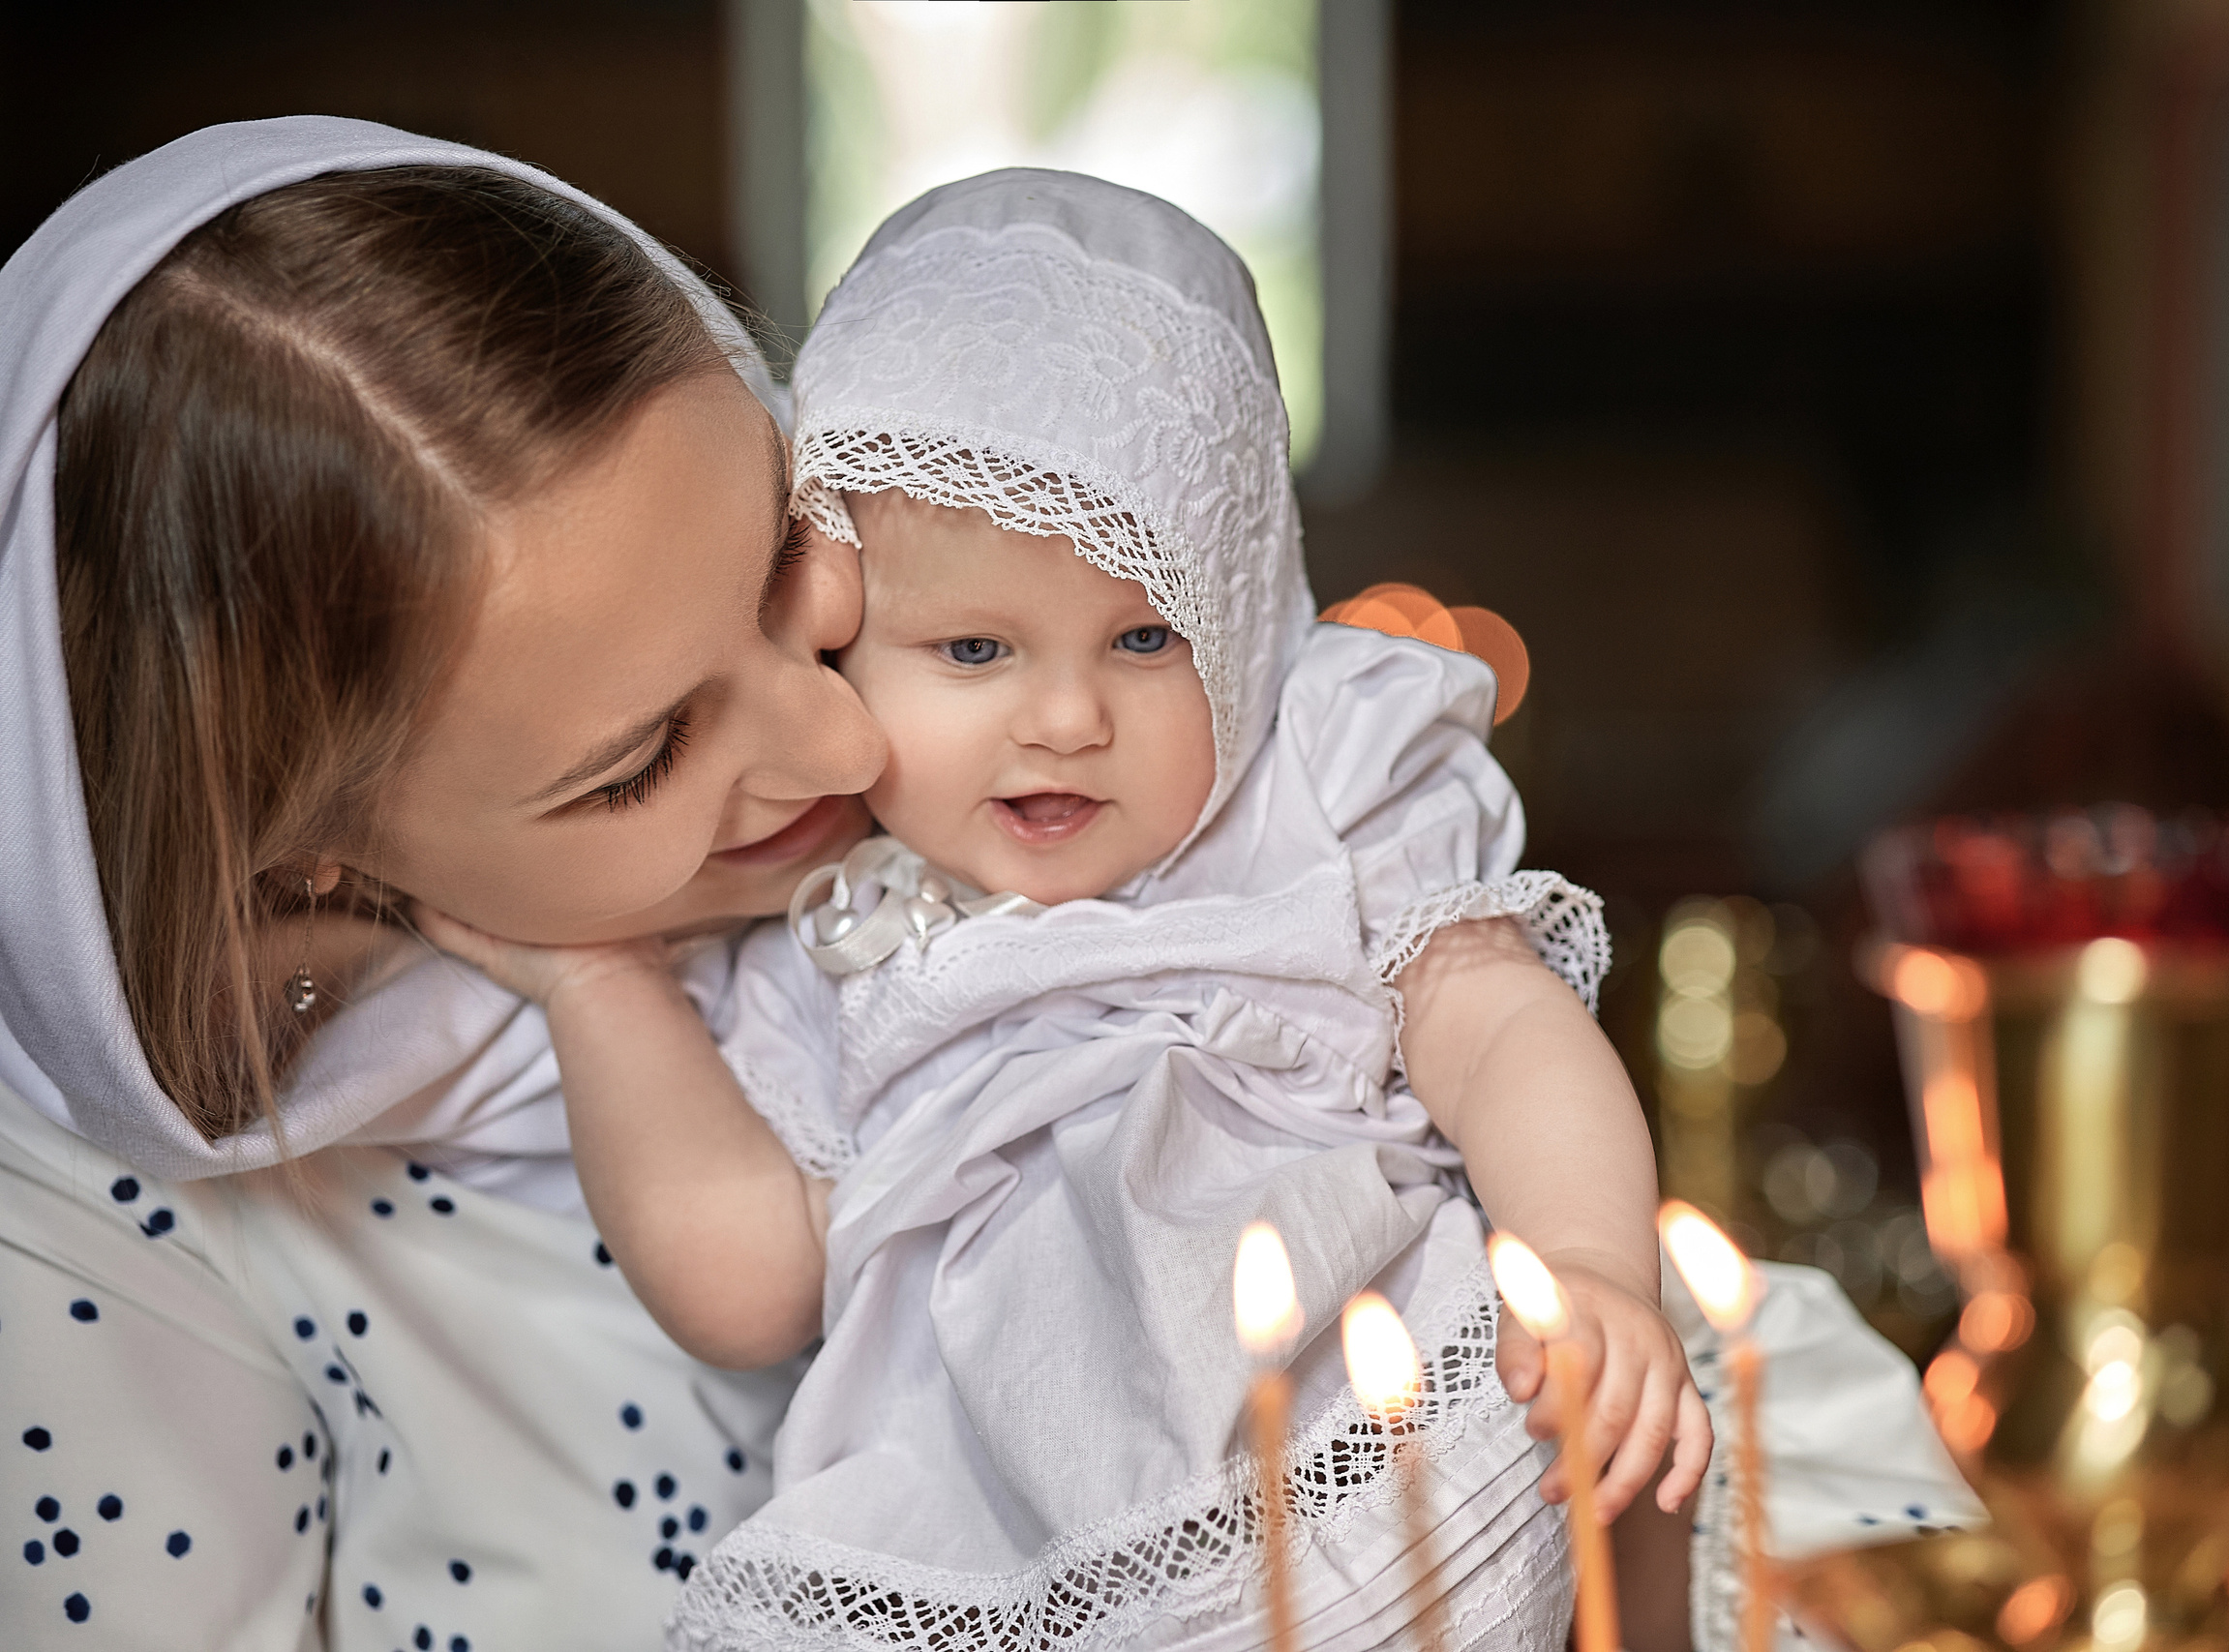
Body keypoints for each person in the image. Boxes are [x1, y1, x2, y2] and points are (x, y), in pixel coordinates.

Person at [423, 173, 1979, 1652]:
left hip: (1368, 1422)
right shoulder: (849, 916)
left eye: (1147, 638)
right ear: (833, 644)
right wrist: (594, 989)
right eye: (973, 651)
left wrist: (1586, 1264)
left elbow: (1499, 1021)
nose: (1064, 718)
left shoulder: (1315, 781)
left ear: (1244, 616)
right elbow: (750, 1274)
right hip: (993, 1536)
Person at [0, 117, 889, 1649]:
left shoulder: (1050, 768)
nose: (846, 732)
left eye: (784, 554)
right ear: (309, 851)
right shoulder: (100, 1235)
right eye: (637, 763)